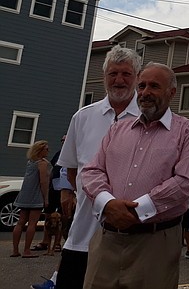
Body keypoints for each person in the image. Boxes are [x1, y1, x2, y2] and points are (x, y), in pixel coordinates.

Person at [81, 62, 189, 289]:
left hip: (155, 243)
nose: (146, 93)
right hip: (107, 239)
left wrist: (137, 210)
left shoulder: (188, 131)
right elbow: (92, 171)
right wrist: (108, 204)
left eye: (154, 86)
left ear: (172, 92)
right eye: (142, 86)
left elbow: (187, 181)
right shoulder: (118, 129)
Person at [49, 45, 142, 289]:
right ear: (104, 77)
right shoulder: (83, 117)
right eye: (113, 73)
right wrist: (79, 193)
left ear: (137, 78)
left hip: (130, 238)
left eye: (126, 74)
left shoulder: (148, 118)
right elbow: (71, 169)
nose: (119, 80)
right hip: (82, 236)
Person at [11, 140, 51, 258]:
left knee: (20, 222)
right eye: (46, 149)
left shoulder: (31, 162)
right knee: (32, 223)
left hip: (25, 195)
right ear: (40, 151)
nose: (48, 151)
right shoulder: (42, 164)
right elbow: (43, 181)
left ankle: (15, 250)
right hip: (36, 195)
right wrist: (46, 198)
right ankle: (27, 250)